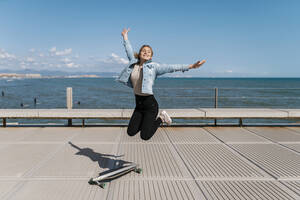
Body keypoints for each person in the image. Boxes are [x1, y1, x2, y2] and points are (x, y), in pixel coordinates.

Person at [116, 28, 206, 140]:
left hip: (150, 105)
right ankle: (148, 122)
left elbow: (171, 68)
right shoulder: (133, 63)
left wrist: (191, 66)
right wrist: (125, 36)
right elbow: (128, 49)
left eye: (148, 51)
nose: (146, 52)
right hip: (138, 105)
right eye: (143, 50)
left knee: (145, 136)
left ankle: (161, 118)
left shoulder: (154, 67)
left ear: (151, 56)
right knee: (130, 132)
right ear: (139, 54)